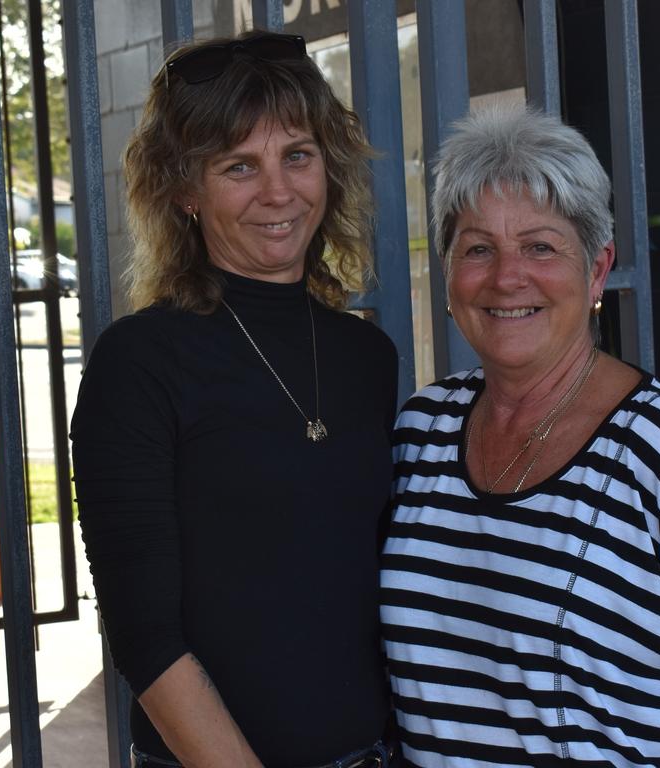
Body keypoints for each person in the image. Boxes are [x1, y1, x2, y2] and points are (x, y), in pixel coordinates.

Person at [380, 107, 660, 767]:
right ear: (449, 276)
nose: (507, 277)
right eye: (479, 248)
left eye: (540, 246)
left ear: (595, 271)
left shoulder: (659, 445)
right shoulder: (423, 428)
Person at [71, 31, 399, 768]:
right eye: (239, 166)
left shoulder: (365, 357)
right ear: (185, 188)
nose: (278, 192)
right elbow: (145, 638)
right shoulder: (140, 363)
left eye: (298, 155)